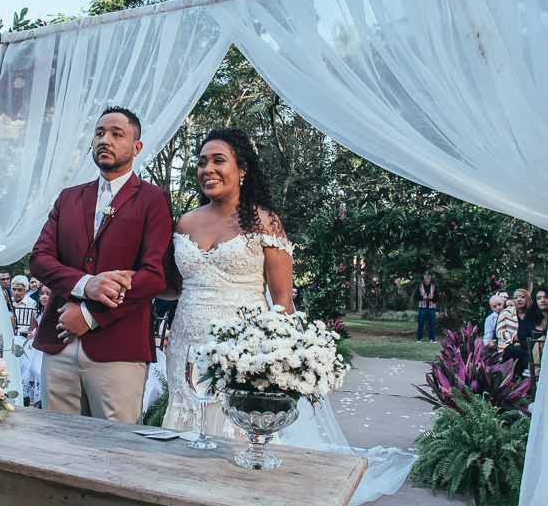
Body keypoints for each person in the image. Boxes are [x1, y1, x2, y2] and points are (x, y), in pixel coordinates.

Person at [159, 127, 413, 504]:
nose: (207, 169)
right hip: (186, 347)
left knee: (237, 448)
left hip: (241, 353)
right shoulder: (184, 222)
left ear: (241, 168)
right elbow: (174, 287)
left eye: (218, 160)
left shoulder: (265, 222)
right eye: (201, 162)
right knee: (185, 443)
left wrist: (275, 361)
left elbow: (282, 302)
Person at [29, 106, 173, 424]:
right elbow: (39, 258)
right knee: (55, 446)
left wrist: (90, 315)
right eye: (99, 133)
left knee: (113, 455)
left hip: (118, 347)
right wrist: (85, 284)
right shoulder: (68, 198)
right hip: (58, 341)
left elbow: (154, 276)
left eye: (116, 134)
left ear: (136, 147)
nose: (104, 139)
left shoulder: (153, 199)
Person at [416, 274, 437, 342]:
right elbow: (416, 297)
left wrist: (432, 298)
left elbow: (437, 298)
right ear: (424, 280)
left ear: (430, 280)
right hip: (422, 307)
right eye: (426, 282)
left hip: (431, 307)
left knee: (432, 323)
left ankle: (432, 338)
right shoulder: (420, 287)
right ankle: (419, 338)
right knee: (421, 323)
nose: (427, 283)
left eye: (428, 281)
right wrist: (422, 297)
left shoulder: (433, 287)